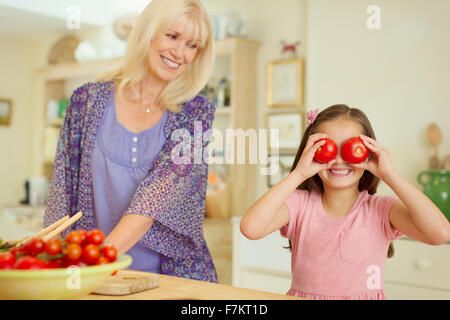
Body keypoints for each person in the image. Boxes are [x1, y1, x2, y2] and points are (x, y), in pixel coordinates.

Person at [43, 0, 218, 282]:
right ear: (147, 32)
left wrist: (96, 264)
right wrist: (54, 262)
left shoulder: (196, 113)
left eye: (192, 45)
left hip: (166, 279)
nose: (180, 52)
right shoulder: (85, 102)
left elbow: (154, 198)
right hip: (91, 274)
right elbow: (61, 196)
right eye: (172, 36)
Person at [240, 104, 450, 299]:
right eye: (328, 147)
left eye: (351, 148)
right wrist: (298, 173)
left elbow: (440, 233)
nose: (339, 159)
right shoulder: (300, 205)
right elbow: (251, 228)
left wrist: (390, 174)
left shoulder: (380, 209)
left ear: (369, 152)